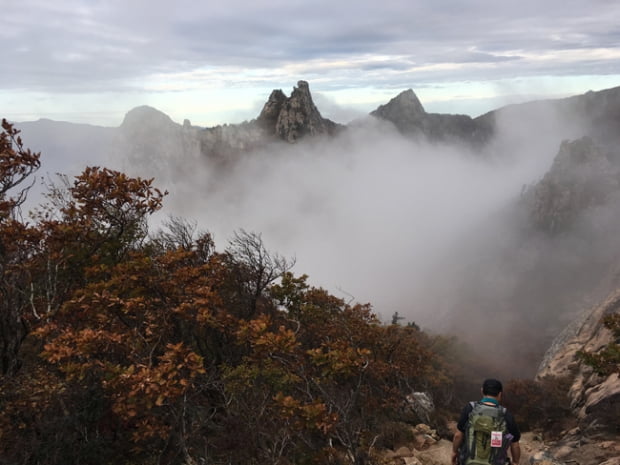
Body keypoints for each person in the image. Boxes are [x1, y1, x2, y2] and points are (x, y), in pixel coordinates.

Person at [451, 378, 521, 465]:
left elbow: (458, 435)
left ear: (482, 391)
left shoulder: (470, 408)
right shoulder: (506, 415)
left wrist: (454, 452)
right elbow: (515, 444)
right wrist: (515, 462)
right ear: (500, 394)